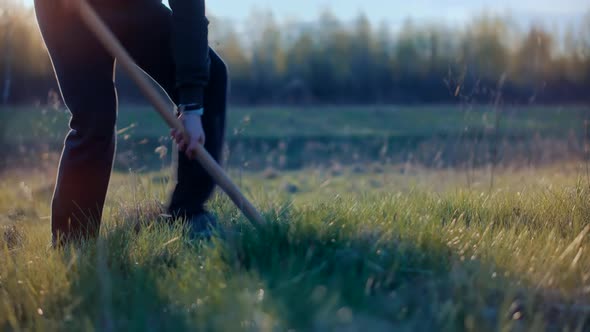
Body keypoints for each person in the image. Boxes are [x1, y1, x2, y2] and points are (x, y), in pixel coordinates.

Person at [34, 0, 226, 246]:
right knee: (95, 118)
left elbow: (189, 12)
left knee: (210, 78)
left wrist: (191, 106)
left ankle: (187, 217)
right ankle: (72, 243)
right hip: (65, 8)